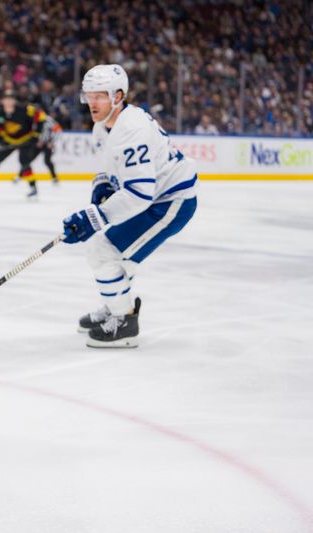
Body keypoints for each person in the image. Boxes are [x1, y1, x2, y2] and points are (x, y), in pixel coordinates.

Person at [62, 64, 198, 348]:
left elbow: (139, 193)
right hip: (156, 197)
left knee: (103, 251)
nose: (92, 103)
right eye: (89, 96)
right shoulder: (104, 126)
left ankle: (124, 322)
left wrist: (95, 217)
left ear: (118, 95)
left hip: (171, 201)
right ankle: (116, 307)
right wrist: (101, 187)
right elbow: (108, 168)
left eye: (99, 96)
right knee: (114, 255)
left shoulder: (131, 129)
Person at [0, 89, 45, 198]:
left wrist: (36, 134)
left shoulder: (26, 109)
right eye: (6, 99)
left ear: (14, 101)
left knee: (24, 162)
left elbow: (41, 117)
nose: (8, 102)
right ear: (2, 101)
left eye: (11, 99)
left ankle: (33, 188)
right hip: (9, 140)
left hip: (25, 140)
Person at [38, 111, 62, 183]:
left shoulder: (48, 119)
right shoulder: (32, 118)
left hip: (47, 143)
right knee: (27, 158)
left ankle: (54, 177)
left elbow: (58, 130)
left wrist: (52, 142)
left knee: (47, 161)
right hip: (37, 143)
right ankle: (20, 175)